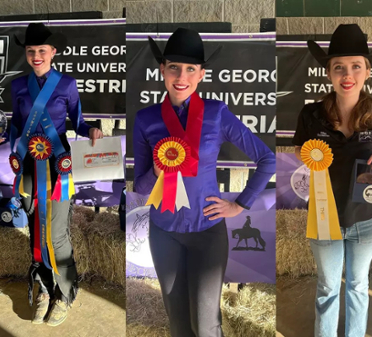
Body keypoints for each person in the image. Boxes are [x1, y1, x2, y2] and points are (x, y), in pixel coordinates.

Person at [133, 28, 275, 336]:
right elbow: (140, 189)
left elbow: (267, 159)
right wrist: (157, 173)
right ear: (162, 70)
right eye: (173, 67)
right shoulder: (145, 119)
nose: (181, 77)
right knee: (179, 325)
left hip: (207, 233)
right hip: (164, 233)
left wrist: (240, 204)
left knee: (206, 325)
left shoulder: (216, 113)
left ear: (201, 74)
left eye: (190, 69)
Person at [0, 22, 103, 325]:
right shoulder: (18, 85)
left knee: (58, 235)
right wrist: (0, 136)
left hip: (57, 169)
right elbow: (17, 124)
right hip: (26, 168)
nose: (36, 56)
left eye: (42, 51)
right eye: (31, 51)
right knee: (36, 230)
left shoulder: (67, 84)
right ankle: (44, 289)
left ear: (53, 52)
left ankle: (64, 293)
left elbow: (78, 122)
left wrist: (93, 130)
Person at [292, 24, 372, 337]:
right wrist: (308, 155)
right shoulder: (311, 115)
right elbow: (300, 148)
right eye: (339, 67)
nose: (347, 75)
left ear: (367, 71)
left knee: (358, 285)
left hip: (365, 219)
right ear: (329, 73)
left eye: (355, 66)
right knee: (327, 287)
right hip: (324, 219)